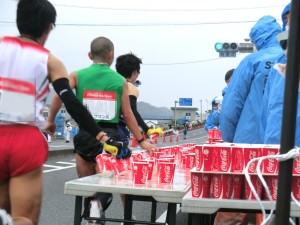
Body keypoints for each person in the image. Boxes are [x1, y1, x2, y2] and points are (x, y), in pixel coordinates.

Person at [0, 1, 133, 225]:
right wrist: (101, 136)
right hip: (25, 139)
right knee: (22, 218)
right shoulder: (51, 62)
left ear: (18, 19)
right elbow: (71, 103)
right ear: (48, 28)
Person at [47, 37, 156, 225]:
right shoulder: (119, 81)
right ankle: (96, 208)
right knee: (104, 188)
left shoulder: (77, 75)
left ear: (90, 55)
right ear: (111, 55)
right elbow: (128, 114)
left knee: (88, 189)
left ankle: (93, 214)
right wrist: (141, 140)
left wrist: (50, 120)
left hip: (84, 137)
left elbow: (59, 96)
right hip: (109, 140)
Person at [220, 15, 283, 144]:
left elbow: (232, 105)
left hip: (250, 142)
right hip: (289, 143)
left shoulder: (252, 61)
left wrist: (230, 139)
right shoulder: (291, 58)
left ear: (258, 39)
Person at [260, 3, 300, 146]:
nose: (290, 24)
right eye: (287, 20)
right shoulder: (279, 63)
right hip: (276, 154)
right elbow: (266, 114)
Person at [115, 53, 163, 145]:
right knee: (121, 156)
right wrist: (147, 130)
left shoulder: (111, 84)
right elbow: (132, 111)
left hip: (100, 130)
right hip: (118, 130)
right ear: (135, 73)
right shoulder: (130, 87)